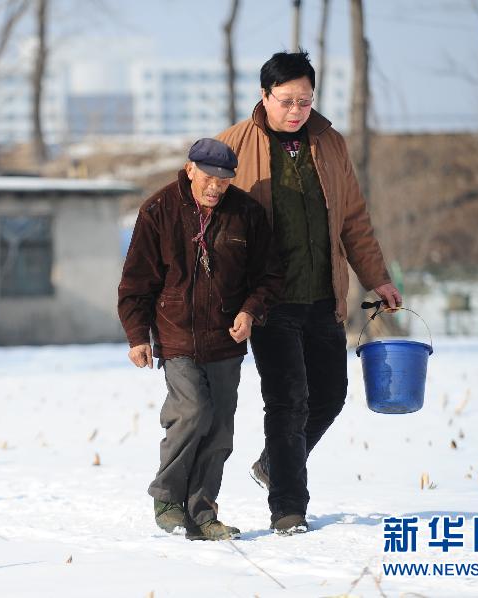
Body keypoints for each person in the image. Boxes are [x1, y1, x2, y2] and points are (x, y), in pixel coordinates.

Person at [215, 51, 403, 535]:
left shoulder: (329, 143)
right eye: (287, 100)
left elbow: (354, 221)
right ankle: (289, 509)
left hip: (324, 295)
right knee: (287, 400)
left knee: (331, 395)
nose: (297, 110)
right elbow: (206, 216)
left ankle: (273, 465)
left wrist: (376, 277)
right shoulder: (235, 143)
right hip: (267, 301)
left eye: (305, 99)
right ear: (264, 96)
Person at [118, 138, 283, 541]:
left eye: (224, 181)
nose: (215, 187)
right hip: (176, 334)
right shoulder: (158, 211)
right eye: (208, 178)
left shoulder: (246, 213)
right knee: (192, 412)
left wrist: (250, 310)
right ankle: (168, 500)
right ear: (190, 169)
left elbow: (269, 276)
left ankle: (202, 511)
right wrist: (138, 336)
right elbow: (136, 282)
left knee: (220, 428)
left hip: (226, 337)